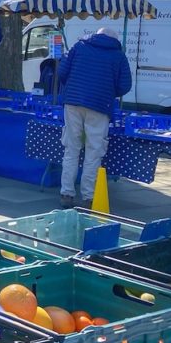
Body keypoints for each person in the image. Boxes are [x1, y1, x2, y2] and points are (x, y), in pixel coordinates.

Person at [57, 27, 132, 208]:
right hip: (100, 105)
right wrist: (108, 91)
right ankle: (88, 197)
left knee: (71, 148)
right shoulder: (118, 55)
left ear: (97, 35)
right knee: (94, 151)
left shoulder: (79, 47)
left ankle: (66, 193)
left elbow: (62, 72)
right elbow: (125, 86)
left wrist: (74, 87)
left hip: (73, 102)